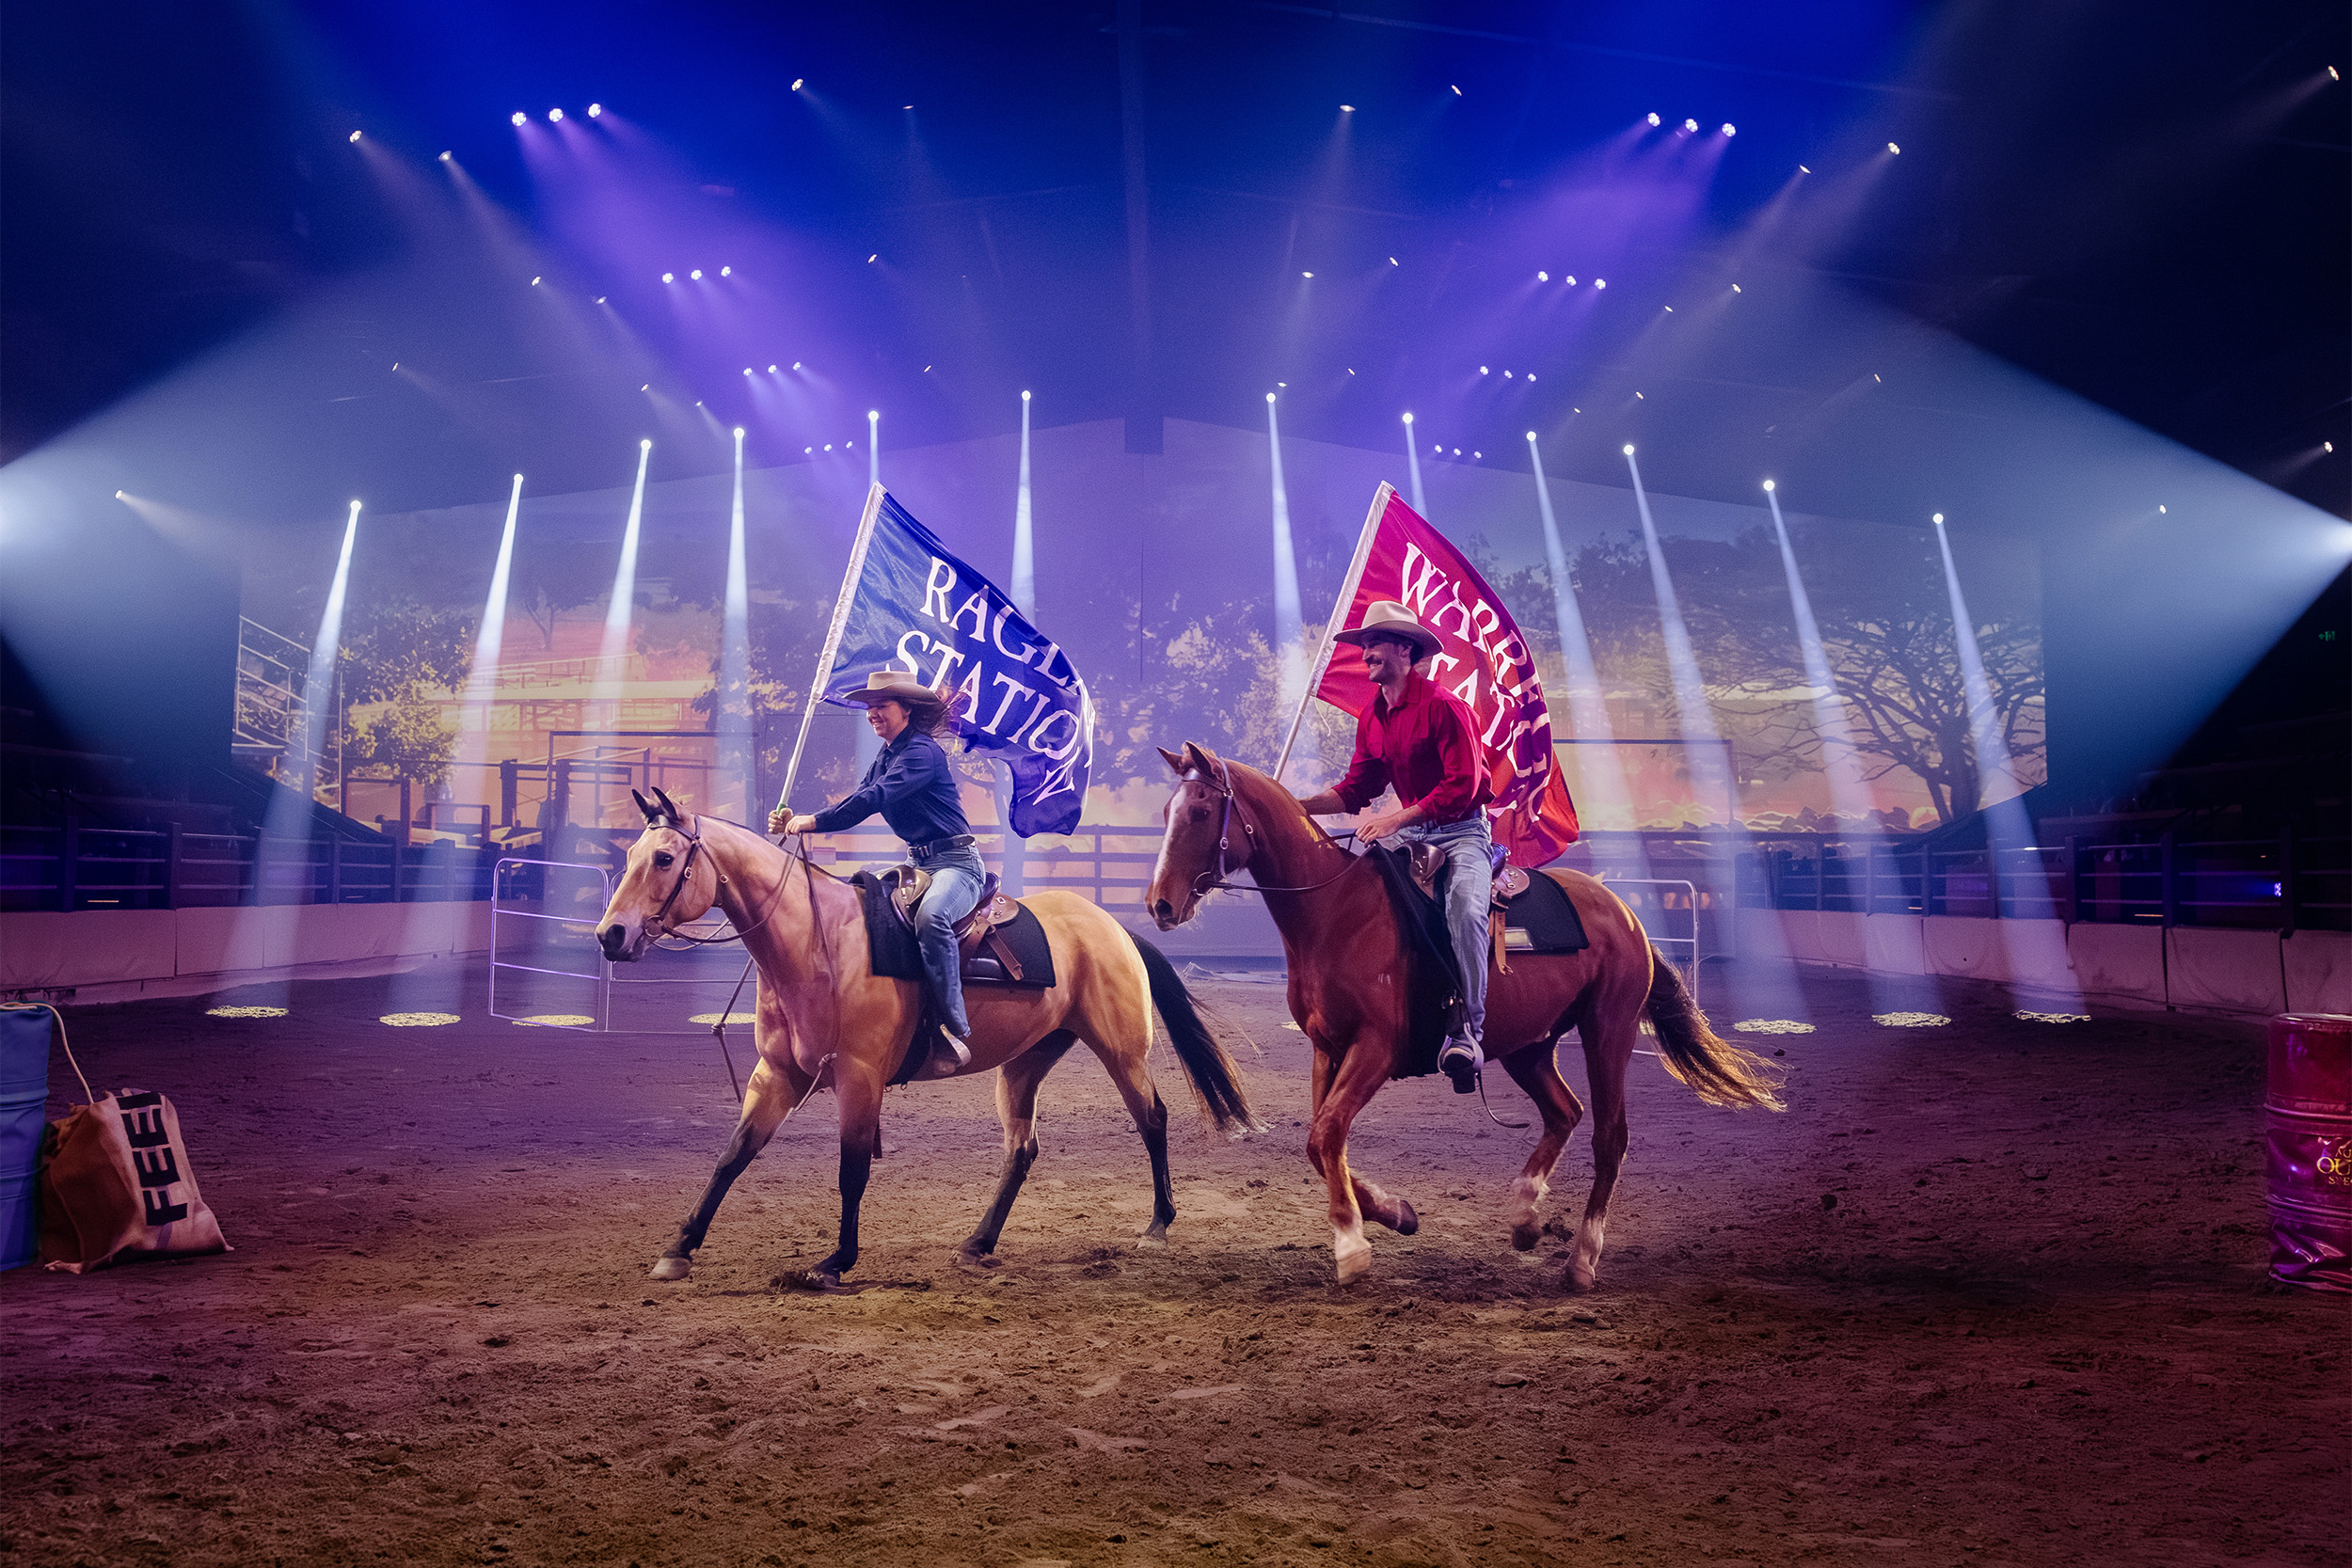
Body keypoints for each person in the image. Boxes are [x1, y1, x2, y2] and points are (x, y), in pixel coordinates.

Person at [1291, 600, 1495, 1092]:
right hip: (1412, 832)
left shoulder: (1447, 709)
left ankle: (1469, 1029)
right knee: (1357, 895)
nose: (1366, 655)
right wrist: (1293, 807)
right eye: (1364, 647)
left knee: (1466, 906)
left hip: (1462, 829)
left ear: (1405, 650)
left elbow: (1462, 786)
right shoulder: (1373, 715)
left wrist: (1395, 820)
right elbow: (1358, 786)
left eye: (1374, 644)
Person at [771, 671, 979, 1078]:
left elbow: (874, 798)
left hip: (956, 864)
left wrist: (813, 821)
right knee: (855, 901)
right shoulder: (887, 755)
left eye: (881, 705)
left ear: (906, 710)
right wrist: (802, 818)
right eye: (869, 707)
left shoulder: (922, 753)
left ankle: (952, 1029)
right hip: (918, 864)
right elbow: (857, 798)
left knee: (932, 917)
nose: (872, 714)